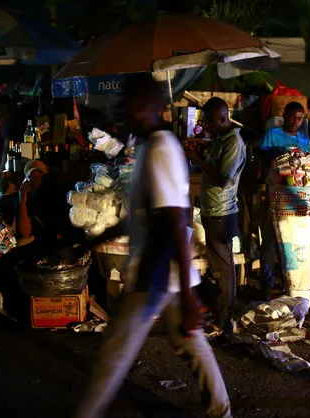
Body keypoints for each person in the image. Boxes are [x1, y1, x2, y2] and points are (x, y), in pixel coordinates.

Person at [74, 73, 231, 418]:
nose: (123, 112)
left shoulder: (161, 148)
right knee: (191, 344)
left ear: (150, 107)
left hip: (155, 273)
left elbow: (175, 220)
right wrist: (92, 239)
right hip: (165, 274)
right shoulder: (148, 146)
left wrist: (189, 296)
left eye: (130, 104)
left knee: (114, 355)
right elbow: (142, 214)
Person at [185, 97, 246, 335]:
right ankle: (220, 312)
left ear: (223, 118)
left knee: (224, 268)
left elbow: (223, 180)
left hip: (222, 212)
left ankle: (225, 319)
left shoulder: (233, 142)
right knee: (218, 266)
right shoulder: (221, 138)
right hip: (212, 211)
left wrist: (197, 160)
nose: (206, 127)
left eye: (209, 122)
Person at [258, 101, 310, 297]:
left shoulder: (305, 140)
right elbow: (262, 161)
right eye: (292, 117)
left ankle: (287, 284)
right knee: (270, 242)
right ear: (285, 116)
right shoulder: (272, 135)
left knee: (290, 242)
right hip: (274, 195)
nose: (296, 121)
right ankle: (266, 285)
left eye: (300, 118)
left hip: (296, 198)